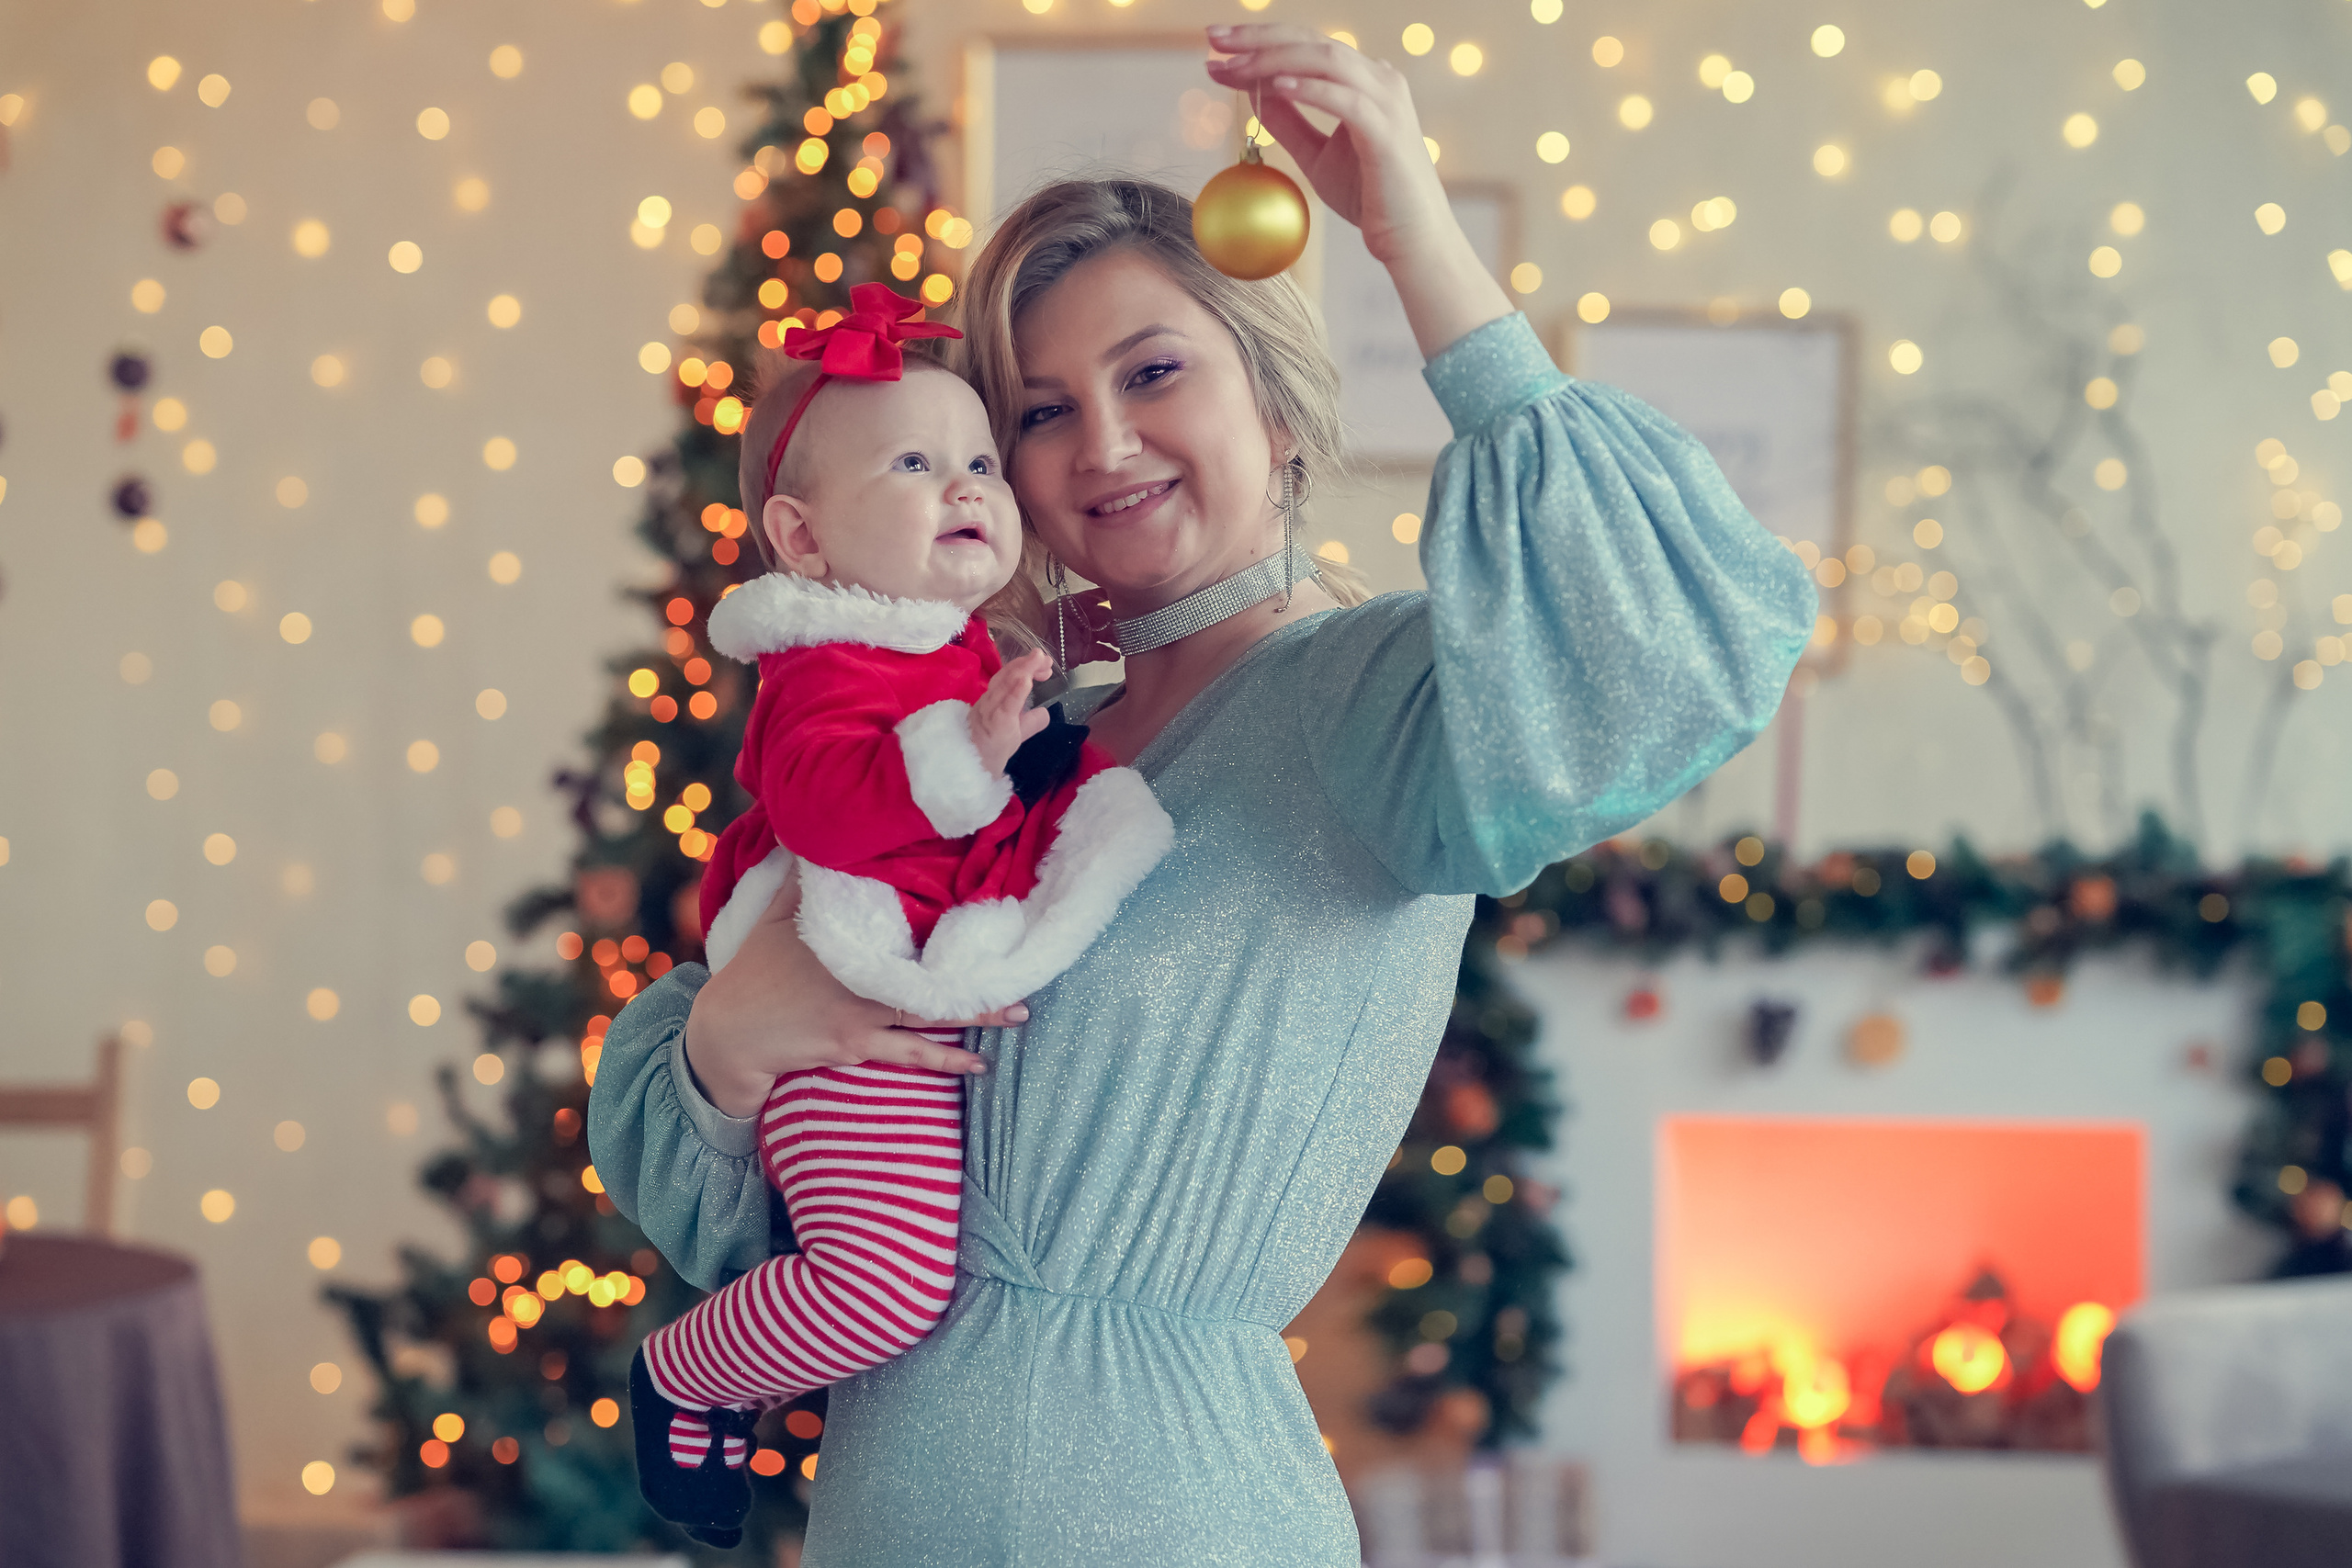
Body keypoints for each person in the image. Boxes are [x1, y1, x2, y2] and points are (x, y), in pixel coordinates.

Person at [586, 24, 1818, 1564]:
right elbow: (764, 1225)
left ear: (1283, 410)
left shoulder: (1376, 702)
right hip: (891, 1508)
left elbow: (1669, 648)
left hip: (1167, 1514)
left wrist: (1409, 230)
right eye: (1037, 411)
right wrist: (716, 1046)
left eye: (1154, 370)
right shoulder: (1000, 738)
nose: (1100, 442)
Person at [627, 285, 1172, 1546]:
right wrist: (961, 754)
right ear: (803, 540)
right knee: (878, 1290)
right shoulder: (824, 659)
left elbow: (1007, 738)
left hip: (901, 1015)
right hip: (840, 1008)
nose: (968, 487)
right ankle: (688, 1377)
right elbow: (825, 805)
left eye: (982, 460)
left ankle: (713, 1397)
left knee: (894, 1275)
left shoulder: (951, 647)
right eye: (918, 465)